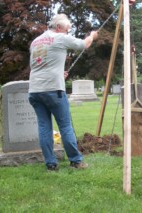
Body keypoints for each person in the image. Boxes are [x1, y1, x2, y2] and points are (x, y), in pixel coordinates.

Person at [28, 14, 98, 171]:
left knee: (44, 127)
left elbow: (38, 65)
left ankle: (50, 164)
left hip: (34, 90)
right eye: (67, 30)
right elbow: (83, 44)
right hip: (53, 90)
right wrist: (92, 35)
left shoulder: (35, 42)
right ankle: (76, 161)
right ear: (59, 28)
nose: (68, 32)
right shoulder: (59, 38)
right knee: (65, 126)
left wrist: (59, 74)